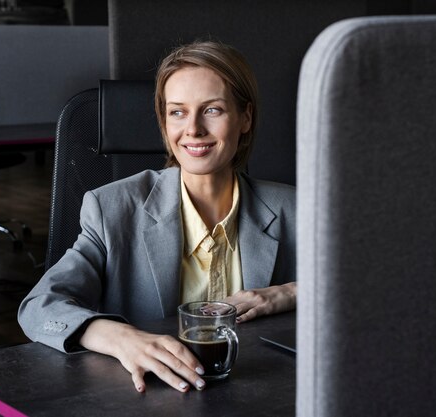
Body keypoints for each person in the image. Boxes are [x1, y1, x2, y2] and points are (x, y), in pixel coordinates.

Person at [18, 40, 296, 394]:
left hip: (258, 394)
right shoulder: (111, 209)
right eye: (177, 112)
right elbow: (40, 306)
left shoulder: (294, 209)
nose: (193, 129)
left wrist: (290, 292)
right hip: (151, 398)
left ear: (245, 118)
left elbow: (370, 283)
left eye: (212, 110)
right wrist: (121, 338)